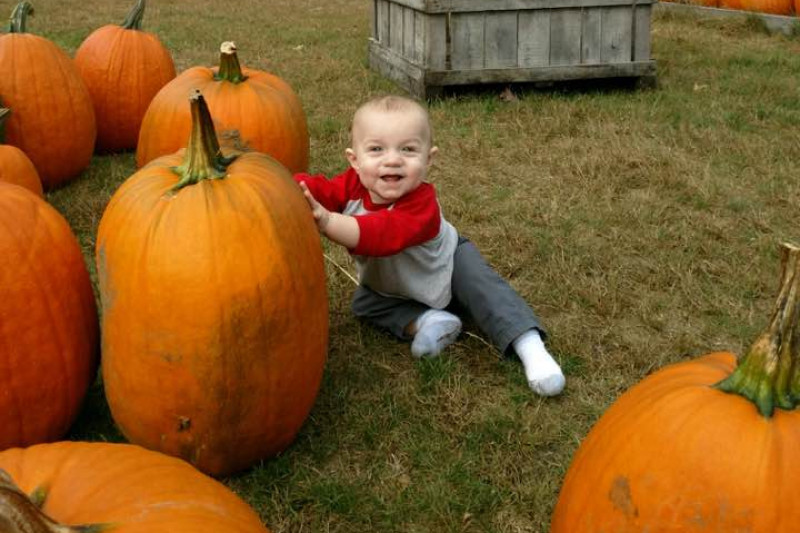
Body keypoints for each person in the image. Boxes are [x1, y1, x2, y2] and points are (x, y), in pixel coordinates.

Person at [294, 95, 565, 397]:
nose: (392, 159)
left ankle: (529, 345)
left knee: (482, 287)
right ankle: (429, 320)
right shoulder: (351, 185)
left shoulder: (422, 204)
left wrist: (328, 221)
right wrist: (288, 186)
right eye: (376, 149)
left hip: (447, 265)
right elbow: (319, 189)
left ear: (428, 159)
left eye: (408, 149)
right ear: (354, 160)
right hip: (396, 282)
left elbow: (381, 233)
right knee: (365, 304)